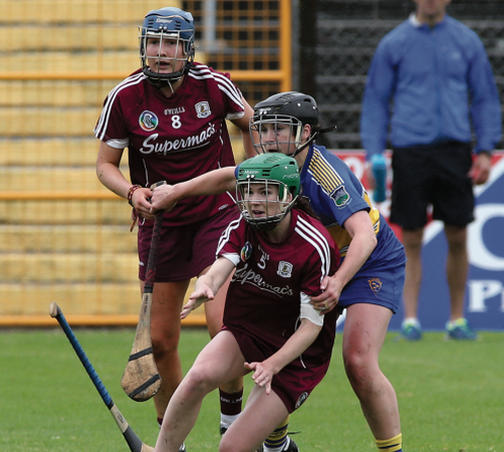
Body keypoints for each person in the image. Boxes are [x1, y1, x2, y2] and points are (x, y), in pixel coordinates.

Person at [152, 92, 406, 452]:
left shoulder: (325, 175)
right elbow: (227, 177)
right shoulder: (270, 166)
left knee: (359, 362)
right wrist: (175, 193)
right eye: (264, 130)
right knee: (268, 342)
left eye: (278, 130)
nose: (268, 139)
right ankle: (276, 442)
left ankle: (392, 450)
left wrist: (338, 282)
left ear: (304, 133)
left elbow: (363, 236)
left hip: (365, 263)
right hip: (309, 263)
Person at [93, 6, 255, 443]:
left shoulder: (212, 84)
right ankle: (174, 442)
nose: (160, 53)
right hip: (162, 225)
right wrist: (132, 192)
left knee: (224, 327)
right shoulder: (125, 97)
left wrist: (247, 176)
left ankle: (231, 420)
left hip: (217, 215)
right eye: (153, 42)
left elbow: (249, 120)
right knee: (162, 342)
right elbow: (105, 166)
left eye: (170, 44)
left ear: (187, 49)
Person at [154, 153, 339, 452]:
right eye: (250, 190)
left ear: (288, 195)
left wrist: (272, 364)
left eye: (265, 191)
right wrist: (206, 284)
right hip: (248, 333)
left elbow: (310, 328)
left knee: (232, 448)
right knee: (196, 378)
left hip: (294, 357)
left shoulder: (315, 245)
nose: (254, 200)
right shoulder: (244, 223)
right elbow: (222, 265)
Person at [360, 0, 501, 341]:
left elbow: (484, 97)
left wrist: (484, 150)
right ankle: (410, 320)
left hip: (455, 150)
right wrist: (374, 152)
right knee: (410, 237)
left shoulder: (466, 40)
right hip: (411, 150)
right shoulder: (394, 43)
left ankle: (456, 319)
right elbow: (376, 99)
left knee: (458, 235)